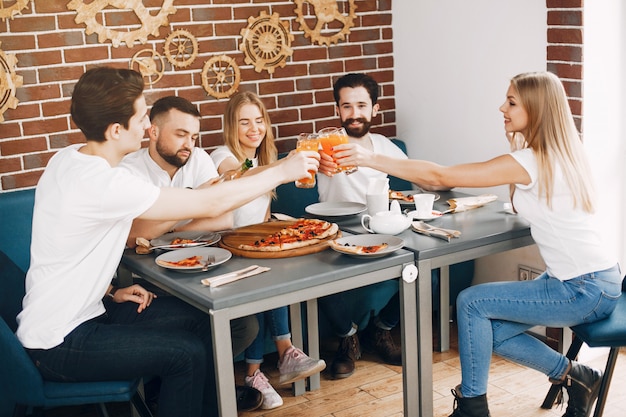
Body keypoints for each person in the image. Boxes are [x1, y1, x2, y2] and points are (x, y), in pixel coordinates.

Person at [15, 67, 319, 417]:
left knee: (211, 322)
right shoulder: (103, 182)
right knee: (184, 354)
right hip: (60, 342)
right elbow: (212, 203)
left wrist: (108, 290)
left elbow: (65, 251)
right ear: (116, 130)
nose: (147, 126)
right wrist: (281, 170)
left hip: (88, 311)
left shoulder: (68, 160)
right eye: (142, 117)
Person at [338, 71, 622, 417]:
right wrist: (515, 144)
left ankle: (473, 406)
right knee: (488, 330)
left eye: (512, 102)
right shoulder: (559, 152)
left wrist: (369, 158)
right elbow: (520, 201)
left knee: (471, 303)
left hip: (582, 289)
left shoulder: (532, 160)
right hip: (596, 280)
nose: (502, 107)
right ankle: (575, 375)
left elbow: (440, 177)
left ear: (535, 108)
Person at [118, 95, 262, 412]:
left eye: (194, 136)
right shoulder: (129, 170)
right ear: (153, 131)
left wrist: (161, 227)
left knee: (246, 325)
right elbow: (133, 236)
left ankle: (190, 387)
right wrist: (193, 200)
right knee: (218, 328)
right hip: (147, 280)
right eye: (181, 134)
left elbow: (223, 218)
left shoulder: (196, 159)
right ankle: (200, 389)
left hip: (202, 267)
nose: (190, 144)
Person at [316, 73, 447, 377]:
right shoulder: (326, 145)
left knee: (429, 272)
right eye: (346, 106)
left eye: (361, 105)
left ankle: (381, 329)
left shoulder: (384, 147)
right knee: (319, 280)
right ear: (338, 110)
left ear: (375, 109)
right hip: (338, 234)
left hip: (381, 232)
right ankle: (348, 340)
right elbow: (302, 170)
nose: (354, 113)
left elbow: (421, 179)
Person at [211, 91, 326, 409]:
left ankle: (270, 364)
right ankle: (270, 362)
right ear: (230, 126)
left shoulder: (266, 160)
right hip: (225, 249)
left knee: (276, 272)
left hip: (251, 247)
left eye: (259, 120)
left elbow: (259, 217)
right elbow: (238, 176)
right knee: (265, 280)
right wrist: (285, 167)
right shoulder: (222, 154)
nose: (253, 128)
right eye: (244, 122)